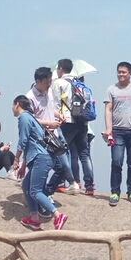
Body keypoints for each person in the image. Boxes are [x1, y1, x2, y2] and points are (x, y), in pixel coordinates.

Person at [13, 95, 67, 231]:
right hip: (41, 156)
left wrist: (16, 158)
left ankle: (57, 215)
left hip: (40, 157)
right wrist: (24, 165)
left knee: (35, 191)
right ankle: (34, 218)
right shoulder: (31, 118)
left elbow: (23, 140)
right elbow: (32, 142)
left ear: (17, 104)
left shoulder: (24, 117)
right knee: (26, 186)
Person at [103, 61, 131, 206]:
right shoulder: (112, 89)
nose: (121, 74)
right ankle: (115, 192)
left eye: (123, 72)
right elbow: (108, 110)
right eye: (119, 72)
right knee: (117, 162)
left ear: (130, 74)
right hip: (117, 131)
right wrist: (108, 128)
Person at [26, 67, 74, 198]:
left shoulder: (48, 92)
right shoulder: (30, 97)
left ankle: (46, 193)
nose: (49, 84)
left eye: (50, 81)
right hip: (40, 139)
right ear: (38, 81)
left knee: (63, 167)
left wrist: (58, 115)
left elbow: (50, 108)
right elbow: (30, 120)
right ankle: (39, 196)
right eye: (47, 82)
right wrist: (49, 123)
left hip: (54, 137)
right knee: (43, 169)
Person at [52, 59, 92, 194]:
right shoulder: (79, 84)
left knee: (62, 151)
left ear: (61, 68)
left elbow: (55, 103)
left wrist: (55, 119)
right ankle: (90, 186)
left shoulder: (58, 83)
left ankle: (63, 182)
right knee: (84, 154)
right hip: (82, 121)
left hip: (67, 121)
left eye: (57, 69)